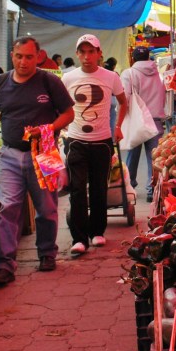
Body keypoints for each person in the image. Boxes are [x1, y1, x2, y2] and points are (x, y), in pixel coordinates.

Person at [0, 37, 74, 286]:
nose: (23, 61)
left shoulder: (50, 81)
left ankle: (47, 253)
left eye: (28, 56)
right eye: (18, 56)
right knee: (8, 208)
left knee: (46, 208)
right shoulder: (0, 83)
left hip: (45, 151)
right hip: (9, 154)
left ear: (38, 56)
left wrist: (48, 129)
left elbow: (68, 114)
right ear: (11, 56)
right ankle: (4, 266)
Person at [62, 35, 125, 256]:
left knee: (99, 189)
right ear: (77, 54)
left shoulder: (111, 77)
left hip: (102, 142)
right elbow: (61, 107)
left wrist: (118, 127)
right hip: (76, 141)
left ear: (100, 54)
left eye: (92, 52)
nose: (87, 57)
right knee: (78, 189)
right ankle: (79, 238)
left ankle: (97, 231)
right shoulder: (67, 79)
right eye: (83, 52)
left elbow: (123, 101)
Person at [122, 46, 167, 202]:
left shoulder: (129, 74)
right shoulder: (158, 75)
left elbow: (124, 99)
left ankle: (129, 187)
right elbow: (164, 95)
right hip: (155, 120)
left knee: (132, 156)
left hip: (137, 120)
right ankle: (152, 189)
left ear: (133, 59)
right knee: (153, 158)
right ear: (149, 57)